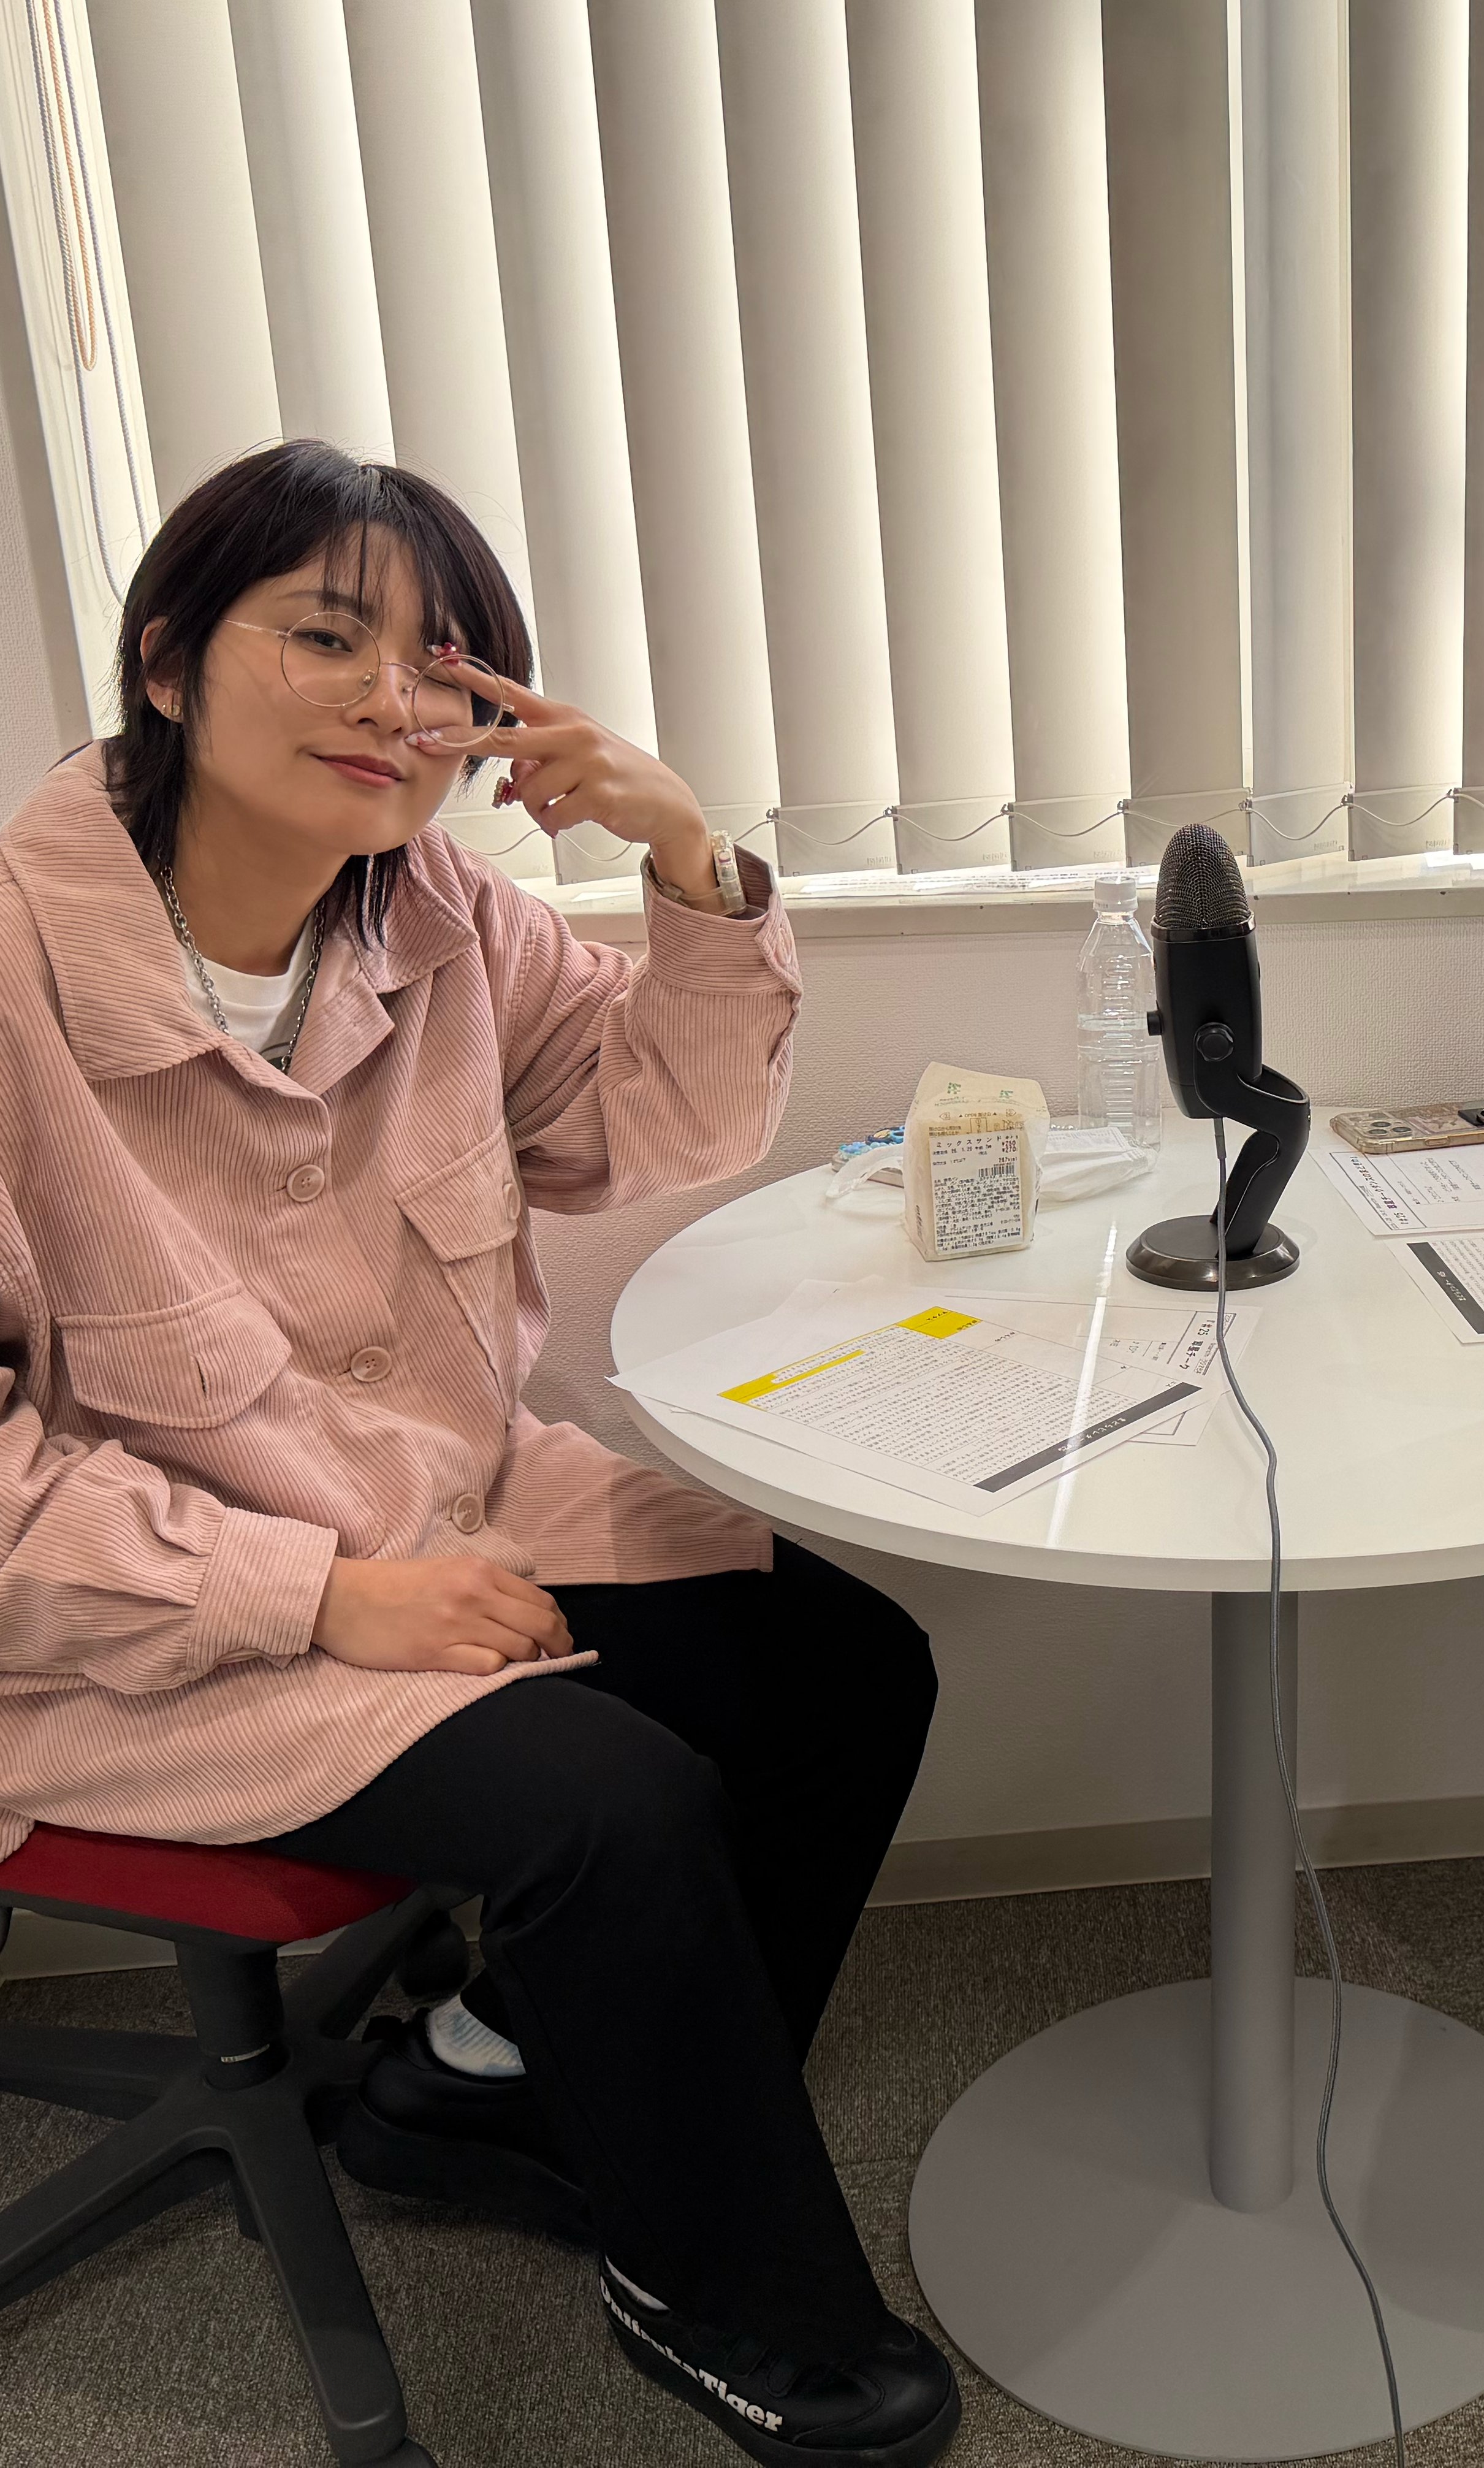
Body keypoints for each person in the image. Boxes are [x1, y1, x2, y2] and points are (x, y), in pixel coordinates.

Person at [0, 443, 959, 2468]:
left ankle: (499, 2076)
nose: (393, 702)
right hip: (135, 1621)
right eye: (325, 637)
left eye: (440, 666)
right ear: (167, 662)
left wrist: (687, 859)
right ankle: (715, 2282)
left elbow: (648, 1126)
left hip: (447, 1505)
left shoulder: (431, 912)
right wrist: (324, 1595)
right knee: (612, 1804)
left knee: (845, 1670)